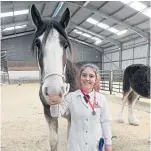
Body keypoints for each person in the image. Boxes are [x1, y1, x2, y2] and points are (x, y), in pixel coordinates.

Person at [49, 63, 112, 151]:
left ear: (96, 79)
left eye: (91, 76)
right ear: (80, 77)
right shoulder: (71, 97)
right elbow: (56, 114)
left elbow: (105, 122)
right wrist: (54, 103)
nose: (87, 79)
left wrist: (108, 143)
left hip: (95, 144)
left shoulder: (101, 99)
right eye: (84, 75)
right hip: (76, 144)